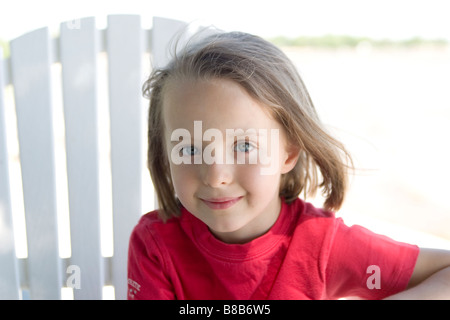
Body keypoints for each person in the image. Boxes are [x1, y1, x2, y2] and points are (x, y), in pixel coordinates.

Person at [127, 30, 450, 300]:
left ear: (288, 153)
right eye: (191, 148)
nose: (216, 176)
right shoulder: (156, 244)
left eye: (244, 146)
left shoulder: (324, 245)